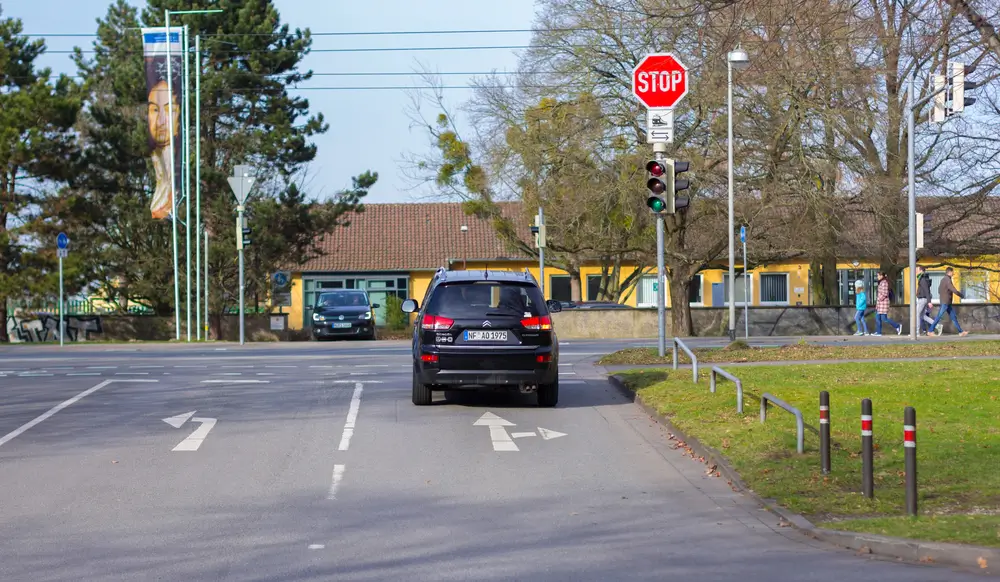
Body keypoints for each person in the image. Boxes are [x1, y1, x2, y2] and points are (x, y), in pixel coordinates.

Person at [928, 267, 968, 336]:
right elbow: (954, 290)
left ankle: (961, 332)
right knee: (939, 316)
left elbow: (939, 290)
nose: (953, 273)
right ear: (949, 272)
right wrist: (961, 295)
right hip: (946, 302)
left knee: (953, 317)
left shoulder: (943, 279)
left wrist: (944, 295)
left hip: (946, 302)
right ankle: (930, 331)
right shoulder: (947, 280)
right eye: (953, 272)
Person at [874, 271, 902, 336]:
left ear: (881, 276)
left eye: (878, 275)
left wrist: (879, 299)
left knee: (884, 319)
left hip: (883, 303)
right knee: (877, 317)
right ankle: (878, 332)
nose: (877, 277)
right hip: (880, 304)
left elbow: (885, 293)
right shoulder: (881, 282)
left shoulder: (884, 283)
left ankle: (897, 326)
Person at [915, 266, 935, 336]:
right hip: (923, 298)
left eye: (916, 270)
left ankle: (916, 332)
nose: (915, 271)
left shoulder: (922, 279)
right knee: (922, 315)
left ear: (921, 270)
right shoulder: (922, 278)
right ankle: (936, 325)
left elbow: (927, 290)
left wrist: (929, 301)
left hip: (922, 299)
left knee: (916, 315)